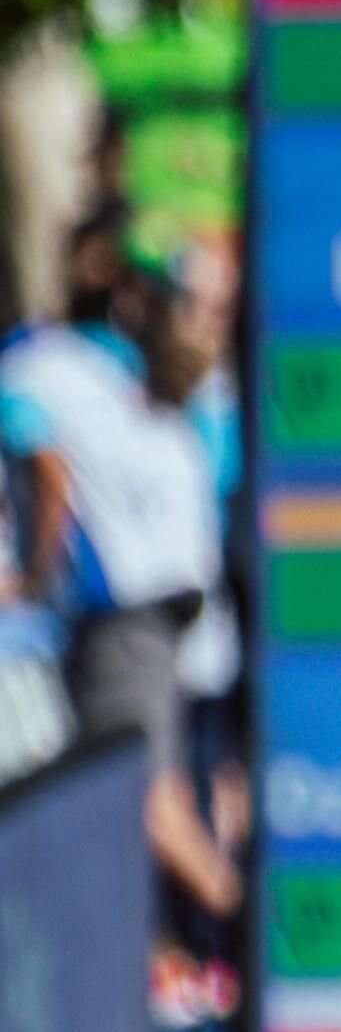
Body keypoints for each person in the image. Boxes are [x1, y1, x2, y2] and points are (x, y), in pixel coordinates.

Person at [0, 209, 237, 920]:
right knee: (192, 793)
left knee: (150, 804)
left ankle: (257, 938)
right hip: (188, 616)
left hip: (128, 617)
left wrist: (34, 578)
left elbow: (49, 473)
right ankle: (194, 953)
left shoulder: (37, 366)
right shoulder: (140, 371)